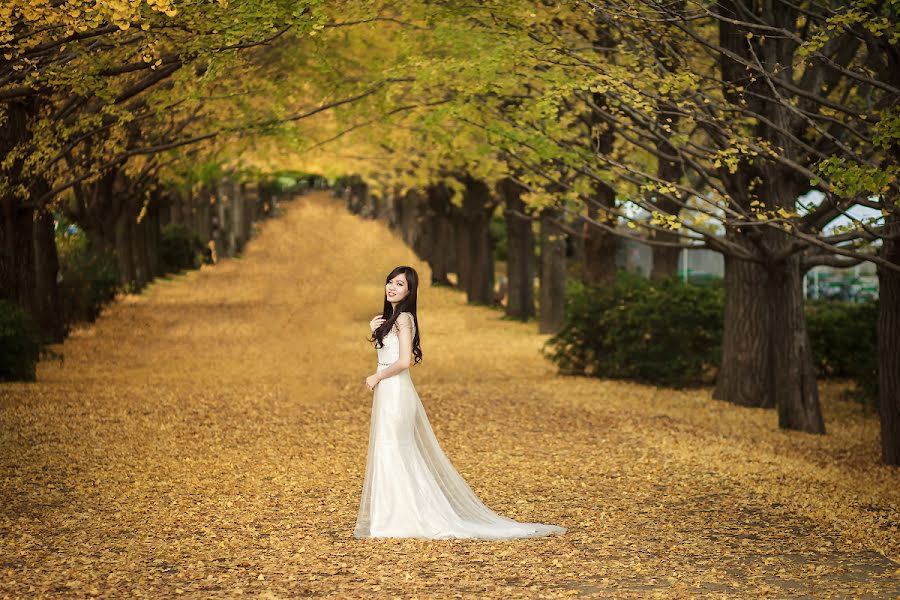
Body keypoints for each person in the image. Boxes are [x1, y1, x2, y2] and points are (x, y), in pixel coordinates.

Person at [354, 265, 566, 540]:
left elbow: (404, 361)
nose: (393, 287)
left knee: (395, 450)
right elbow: (389, 352)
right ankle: (391, 516)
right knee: (391, 451)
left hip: (395, 391)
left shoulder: (404, 319)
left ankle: (404, 518)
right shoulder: (389, 320)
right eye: (390, 282)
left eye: (400, 284)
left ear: (410, 292)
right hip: (387, 392)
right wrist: (375, 331)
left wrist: (377, 376)